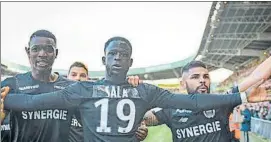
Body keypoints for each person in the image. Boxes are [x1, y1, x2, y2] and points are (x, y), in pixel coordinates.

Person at [2, 36, 271, 142]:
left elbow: (192, 102)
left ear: (131, 62)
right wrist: (6, 100)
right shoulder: (82, 90)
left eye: (123, 54)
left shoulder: (145, 91)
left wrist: (241, 96)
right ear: (103, 60)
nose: (118, 58)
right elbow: (34, 102)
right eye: (113, 54)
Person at [0, 32, 146, 142]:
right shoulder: (12, 85)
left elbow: (104, 115)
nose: (42, 54)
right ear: (28, 52)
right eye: (36, 49)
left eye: (49, 49)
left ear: (56, 53)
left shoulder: (71, 88)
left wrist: (124, 83)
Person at [142, 58, 271, 142]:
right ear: (182, 84)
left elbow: (256, 77)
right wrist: (139, 128)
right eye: (195, 77)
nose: (202, 80)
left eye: (206, 77)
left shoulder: (222, 100)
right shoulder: (170, 109)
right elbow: (141, 118)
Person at [66, 61, 148, 142]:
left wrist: (138, 129)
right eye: (73, 75)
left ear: (88, 79)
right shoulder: (59, 101)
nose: (78, 78)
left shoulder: (98, 102)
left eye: (83, 75)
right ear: (67, 77)